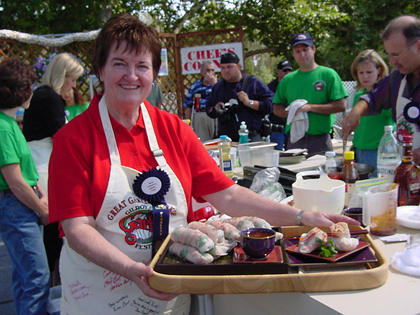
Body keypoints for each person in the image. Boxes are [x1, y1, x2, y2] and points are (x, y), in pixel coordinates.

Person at [47, 13, 358, 314]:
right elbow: (77, 228)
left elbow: (229, 195)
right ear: (100, 70)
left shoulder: (173, 129)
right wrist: (130, 269)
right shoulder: (73, 139)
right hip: (100, 296)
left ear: (153, 73)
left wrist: (302, 216)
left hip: (168, 289)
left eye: (142, 65)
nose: (131, 76)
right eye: (119, 64)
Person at [23, 52, 84, 286]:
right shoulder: (49, 97)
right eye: (73, 79)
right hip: (43, 164)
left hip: (42, 160)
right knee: (53, 223)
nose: (74, 85)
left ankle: (53, 280)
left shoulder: (43, 95)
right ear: (64, 75)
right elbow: (61, 134)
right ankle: (54, 282)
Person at [0, 58, 50, 314]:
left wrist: (40, 192)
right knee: (36, 277)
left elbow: (25, 175)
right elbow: (16, 182)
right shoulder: (4, 128)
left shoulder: (9, 124)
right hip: (15, 207)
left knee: (23, 275)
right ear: (18, 91)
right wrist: (42, 208)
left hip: (19, 204)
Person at [342, 15, 420, 165]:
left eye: (396, 55)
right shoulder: (397, 78)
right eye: (389, 55)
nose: (392, 62)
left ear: (418, 46)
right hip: (407, 169)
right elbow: (373, 98)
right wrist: (355, 112)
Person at [272, 33, 347, 154]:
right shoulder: (287, 79)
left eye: (305, 50)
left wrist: (309, 108)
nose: (302, 55)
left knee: (322, 173)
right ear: (292, 53)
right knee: (292, 173)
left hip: (320, 139)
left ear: (313, 49)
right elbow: (276, 108)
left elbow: (341, 105)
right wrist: (292, 110)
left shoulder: (328, 74)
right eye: (297, 51)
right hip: (294, 140)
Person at [206, 52, 274, 142]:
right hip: (227, 139)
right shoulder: (218, 87)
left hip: (251, 137)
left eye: (229, 67)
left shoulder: (253, 83)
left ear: (238, 66)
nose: (226, 70)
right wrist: (216, 109)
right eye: (223, 68)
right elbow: (209, 109)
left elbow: (270, 105)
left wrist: (250, 102)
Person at [350, 49, 394, 169]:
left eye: (369, 72)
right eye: (361, 72)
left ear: (379, 70)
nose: (365, 76)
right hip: (358, 152)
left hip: (379, 153)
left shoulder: (387, 97)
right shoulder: (358, 96)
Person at [184, 61, 218, 142]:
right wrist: (187, 124)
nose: (210, 73)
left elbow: (224, 99)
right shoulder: (195, 86)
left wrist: (215, 85)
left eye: (212, 70)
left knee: (217, 140)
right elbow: (188, 105)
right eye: (207, 70)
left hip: (216, 115)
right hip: (200, 115)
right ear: (202, 72)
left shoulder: (219, 84)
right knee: (202, 142)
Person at [267, 60, 293, 150]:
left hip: (291, 126)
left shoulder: (294, 85)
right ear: (278, 71)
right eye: (285, 70)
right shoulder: (271, 86)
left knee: (292, 152)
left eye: (289, 70)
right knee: (276, 153)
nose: (287, 73)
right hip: (277, 126)